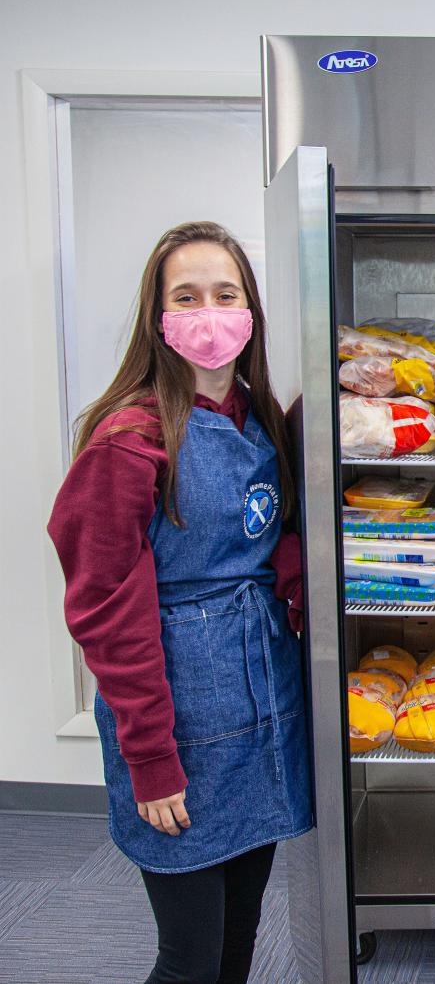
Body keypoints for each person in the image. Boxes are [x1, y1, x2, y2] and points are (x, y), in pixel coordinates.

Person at [48, 222, 313, 984]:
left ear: (250, 310)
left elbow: (279, 533)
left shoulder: (262, 419)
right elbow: (103, 609)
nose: (209, 312)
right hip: (180, 720)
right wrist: (152, 757)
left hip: (264, 706)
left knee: (238, 935)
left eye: (225, 295)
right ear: (158, 318)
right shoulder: (128, 440)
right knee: (189, 958)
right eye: (186, 296)